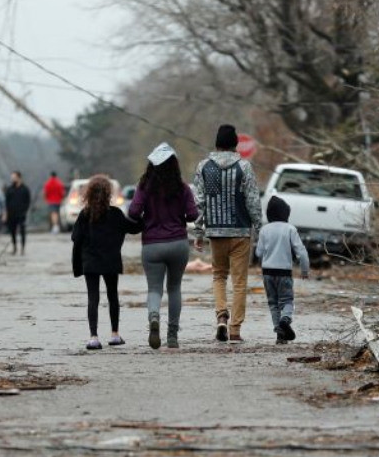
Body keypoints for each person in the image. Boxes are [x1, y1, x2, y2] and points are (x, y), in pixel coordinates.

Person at [193, 123, 262, 343]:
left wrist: (198, 232)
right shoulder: (244, 167)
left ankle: (221, 315)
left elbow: (200, 203)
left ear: (217, 143)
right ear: (235, 144)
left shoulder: (204, 167)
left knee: (219, 276)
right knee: (239, 282)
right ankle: (235, 329)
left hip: (216, 232)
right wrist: (259, 227)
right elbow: (252, 200)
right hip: (240, 231)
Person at [128, 143, 198, 349]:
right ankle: (173, 336)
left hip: (152, 245)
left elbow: (133, 212)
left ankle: (154, 317)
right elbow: (193, 215)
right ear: (174, 164)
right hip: (178, 243)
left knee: (155, 289)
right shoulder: (182, 187)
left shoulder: (145, 187)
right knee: (174, 288)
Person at [71, 175, 142, 350]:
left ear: (88, 193)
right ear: (108, 193)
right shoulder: (116, 214)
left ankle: (93, 337)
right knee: (113, 296)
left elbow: (75, 237)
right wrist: (144, 213)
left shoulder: (84, 214)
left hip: (90, 261)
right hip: (111, 260)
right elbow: (134, 228)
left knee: (93, 298)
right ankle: (115, 335)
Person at [256, 196, 310, 344]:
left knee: (273, 303)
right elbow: (302, 252)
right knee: (287, 300)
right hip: (284, 272)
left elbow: (258, 253)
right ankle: (285, 319)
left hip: (267, 272)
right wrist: (305, 270)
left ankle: (280, 334)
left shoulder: (264, 230)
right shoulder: (290, 229)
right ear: (286, 213)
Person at [4, 171, 33, 255]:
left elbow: (28, 201)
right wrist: (6, 212)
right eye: (12, 177)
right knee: (12, 231)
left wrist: (25, 210)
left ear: (19, 177)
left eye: (14, 177)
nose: (12, 179)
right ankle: (14, 247)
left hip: (21, 213)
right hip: (11, 214)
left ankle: (23, 248)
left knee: (22, 231)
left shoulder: (25, 189)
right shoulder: (9, 189)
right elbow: (6, 201)